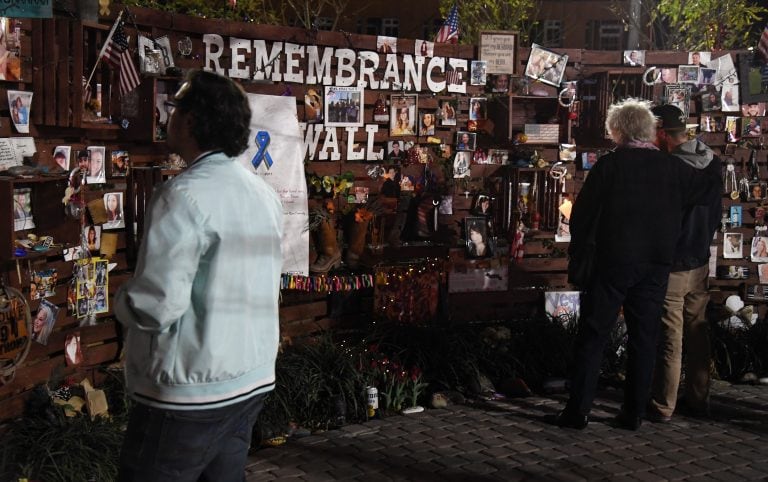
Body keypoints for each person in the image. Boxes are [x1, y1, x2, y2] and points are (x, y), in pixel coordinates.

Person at [115, 70, 284, 480]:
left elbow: (158, 305)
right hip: (250, 380)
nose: (166, 118)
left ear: (190, 122)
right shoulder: (263, 193)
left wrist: (121, 300)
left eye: (173, 110)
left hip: (188, 392)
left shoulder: (181, 197)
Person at [556, 98, 698, 431]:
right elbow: (690, 208)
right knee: (644, 338)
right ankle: (633, 412)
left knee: (594, 334)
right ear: (649, 129)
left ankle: (578, 411)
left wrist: (582, 250)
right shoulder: (675, 168)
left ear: (617, 129)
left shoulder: (610, 166)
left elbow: (584, 214)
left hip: (614, 261)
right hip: (656, 263)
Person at [647, 104, 722, 424]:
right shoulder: (712, 162)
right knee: (698, 333)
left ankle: (663, 405)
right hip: (700, 260)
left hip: (674, 262)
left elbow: (662, 218)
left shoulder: (668, 168)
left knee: (671, 337)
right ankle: (699, 399)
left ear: (663, 133)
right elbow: (715, 213)